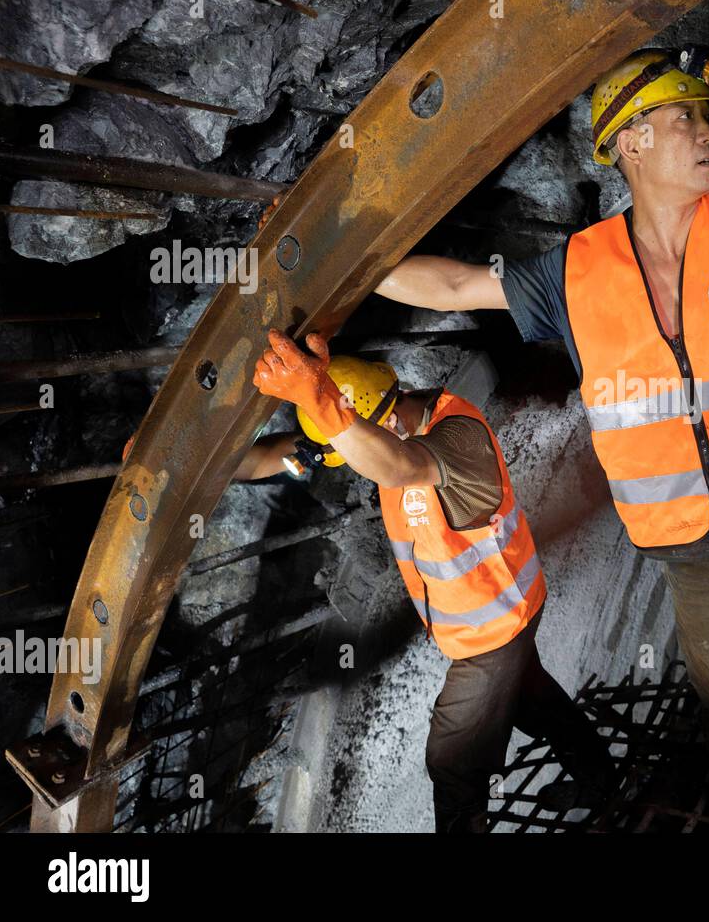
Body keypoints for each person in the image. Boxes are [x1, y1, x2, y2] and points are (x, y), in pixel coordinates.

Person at [371, 0, 709, 831]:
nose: (706, 134)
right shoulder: (574, 273)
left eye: (704, 120)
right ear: (630, 142)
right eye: (685, 118)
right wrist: (337, 263)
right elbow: (452, 285)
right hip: (689, 541)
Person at [243, 328, 614, 831]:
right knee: (531, 700)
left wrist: (325, 404)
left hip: (494, 628)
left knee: (453, 759)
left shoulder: (457, 436)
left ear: (386, 419)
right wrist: (196, 474)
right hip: (497, 615)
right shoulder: (378, 426)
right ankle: (601, 781)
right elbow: (275, 457)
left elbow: (399, 466)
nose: (352, 460)